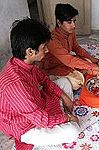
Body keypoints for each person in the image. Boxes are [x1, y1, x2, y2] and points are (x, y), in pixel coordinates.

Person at [0, 18, 80, 150]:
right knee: (73, 131)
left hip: (37, 105)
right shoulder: (15, 85)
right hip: (26, 126)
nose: (47, 51)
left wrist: (64, 97)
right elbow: (42, 120)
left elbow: (44, 80)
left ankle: (59, 114)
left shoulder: (23, 63)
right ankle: (55, 125)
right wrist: (68, 117)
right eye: (44, 47)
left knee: (64, 82)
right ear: (30, 52)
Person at [41, 3, 99, 90]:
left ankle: (78, 73)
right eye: (69, 22)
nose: (74, 25)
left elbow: (76, 48)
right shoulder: (52, 40)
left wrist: (94, 60)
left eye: (74, 21)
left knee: (88, 62)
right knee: (76, 82)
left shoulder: (70, 32)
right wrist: (95, 66)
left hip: (66, 63)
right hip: (53, 68)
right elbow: (69, 60)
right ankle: (51, 79)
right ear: (59, 23)